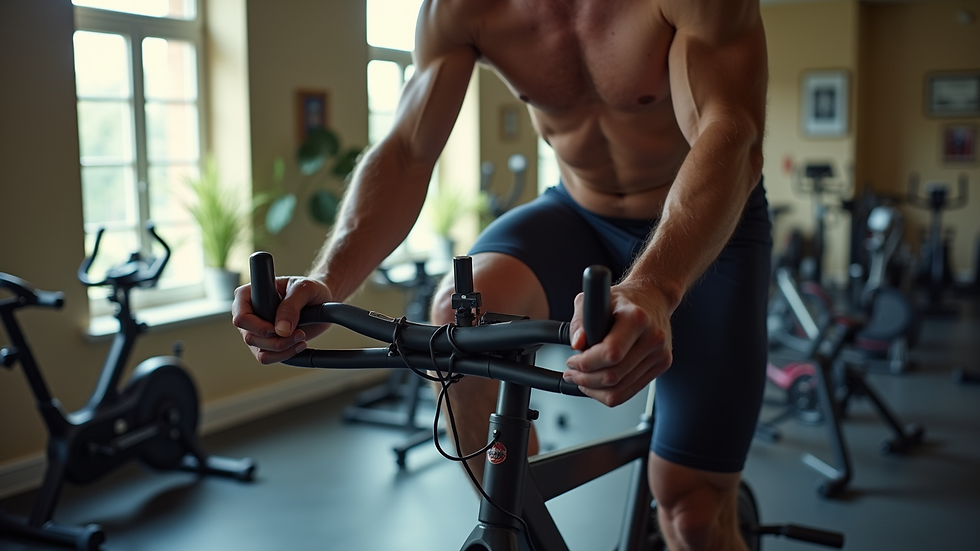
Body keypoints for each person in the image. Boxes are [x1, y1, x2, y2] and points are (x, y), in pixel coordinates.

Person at [233, 1, 771, 549]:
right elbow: (406, 154)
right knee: (460, 324)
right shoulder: (463, 9)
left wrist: (654, 285)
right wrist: (327, 282)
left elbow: (729, 132)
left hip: (703, 227)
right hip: (575, 214)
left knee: (693, 514)